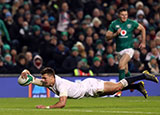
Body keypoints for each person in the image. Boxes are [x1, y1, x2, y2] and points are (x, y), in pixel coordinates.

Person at [19, 67, 159, 109]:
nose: (43, 80)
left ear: (52, 77)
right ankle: (137, 86)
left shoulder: (60, 84)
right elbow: (32, 80)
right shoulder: (49, 82)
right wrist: (26, 73)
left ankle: (143, 75)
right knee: (115, 90)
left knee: (116, 86)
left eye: (45, 78)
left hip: (89, 86)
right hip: (87, 92)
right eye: (43, 78)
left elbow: (62, 104)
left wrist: (47, 107)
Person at [106, 7, 146, 97]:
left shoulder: (131, 23)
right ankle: (132, 84)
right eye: (122, 15)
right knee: (125, 70)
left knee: (121, 65)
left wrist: (143, 42)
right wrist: (115, 34)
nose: (124, 17)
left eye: (126, 15)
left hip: (129, 49)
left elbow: (143, 28)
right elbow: (107, 37)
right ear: (118, 15)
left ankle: (119, 90)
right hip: (119, 51)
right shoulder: (114, 24)